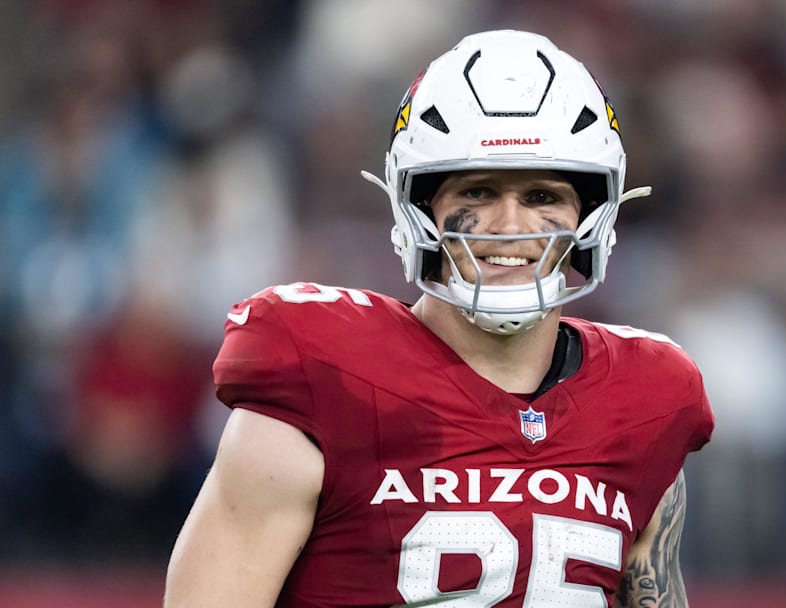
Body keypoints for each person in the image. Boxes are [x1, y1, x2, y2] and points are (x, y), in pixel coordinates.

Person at [164, 29, 714, 607]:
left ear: (592, 215)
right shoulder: (322, 380)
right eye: (477, 192)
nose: (509, 225)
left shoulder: (644, 401)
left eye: (542, 197)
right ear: (420, 210)